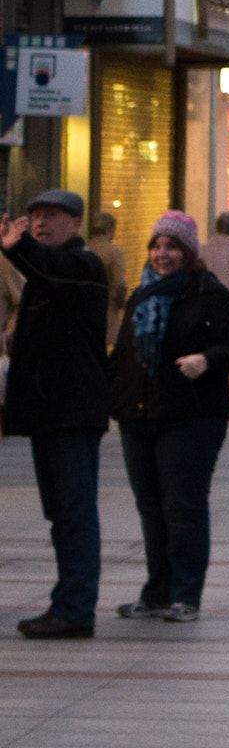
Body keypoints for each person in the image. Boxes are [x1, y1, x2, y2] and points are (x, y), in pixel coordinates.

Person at [108, 211, 229, 624]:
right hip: (139, 415)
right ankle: (157, 592)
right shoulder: (141, 294)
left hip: (192, 415)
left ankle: (186, 594)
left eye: (171, 247)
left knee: (182, 504)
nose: (162, 254)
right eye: (156, 246)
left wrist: (206, 360)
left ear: (188, 252)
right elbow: (122, 355)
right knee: (150, 506)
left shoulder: (209, 293)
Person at [3, 190, 111, 639]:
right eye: (34, 217)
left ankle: (76, 609)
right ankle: (67, 603)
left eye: (51, 216)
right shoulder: (42, 276)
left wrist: (19, 247)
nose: (40, 223)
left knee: (74, 511)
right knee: (61, 513)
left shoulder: (82, 266)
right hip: (49, 414)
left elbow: (53, 273)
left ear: (75, 222)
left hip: (72, 413)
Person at [85, 211, 127, 348]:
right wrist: (122, 303)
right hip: (107, 312)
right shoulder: (114, 252)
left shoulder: (85, 249)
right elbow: (120, 283)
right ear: (110, 229)